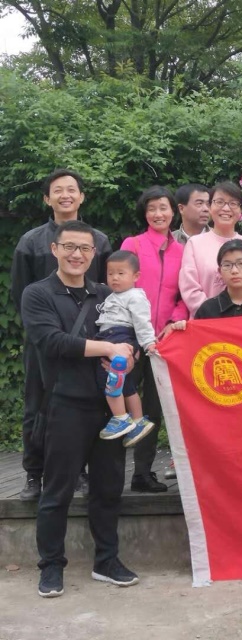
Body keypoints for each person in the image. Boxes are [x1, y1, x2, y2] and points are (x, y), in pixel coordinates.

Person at [21, 220, 139, 598]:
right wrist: (107, 348)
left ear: (94, 254)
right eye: (69, 247)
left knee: (108, 489)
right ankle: (51, 566)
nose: (77, 254)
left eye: (85, 249)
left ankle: (107, 561)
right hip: (64, 406)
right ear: (54, 249)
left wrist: (130, 356)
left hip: (108, 409)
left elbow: (128, 335)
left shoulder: (106, 292)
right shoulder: (37, 294)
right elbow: (52, 342)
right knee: (57, 491)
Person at [12, 168, 112, 502]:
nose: (65, 195)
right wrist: (42, 330)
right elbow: (20, 292)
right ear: (47, 198)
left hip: (87, 342)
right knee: (36, 404)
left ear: (82, 196)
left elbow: (106, 290)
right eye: (58, 190)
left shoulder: (98, 240)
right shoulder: (31, 241)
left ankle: (78, 471)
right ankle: (33, 473)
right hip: (44, 340)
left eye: (72, 189)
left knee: (84, 405)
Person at [120, 185, 189, 491]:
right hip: (128, 338)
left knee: (153, 408)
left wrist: (173, 322)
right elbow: (120, 288)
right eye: (151, 208)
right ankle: (107, 471)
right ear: (144, 213)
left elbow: (184, 295)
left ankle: (142, 473)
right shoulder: (133, 244)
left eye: (163, 207)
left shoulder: (182, 251)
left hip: (163, 342)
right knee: (118, 403)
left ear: (174, 211)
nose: (158, 214)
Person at [94, 251, 158, 445]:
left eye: (121, 273)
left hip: (119, 337)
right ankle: (138, 421)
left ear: (136, 276)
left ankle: (120, 417)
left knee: (107, 377)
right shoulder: (114, 295)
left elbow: (142, 322)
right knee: (126, 382)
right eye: (110, 273)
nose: (115, 277)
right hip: (111, 337)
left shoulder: (135, 296)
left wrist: (148, 343)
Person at [180, 181, 242, 317]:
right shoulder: (195, 244)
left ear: (240, 210)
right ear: (210, 206)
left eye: (233, 203)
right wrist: (214, 315)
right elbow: (189, 289)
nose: (226, 208)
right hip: (206, 321)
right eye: (219, 202)